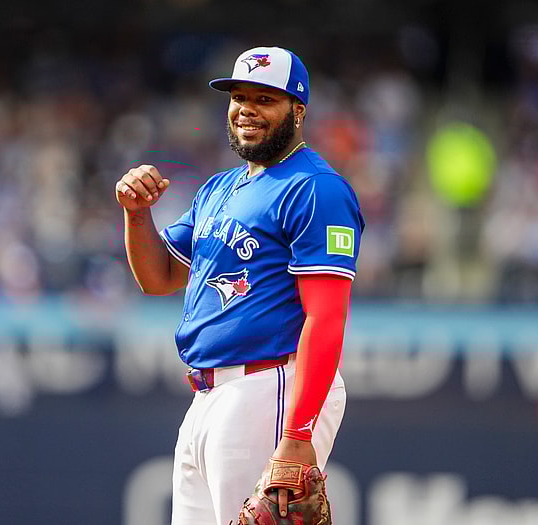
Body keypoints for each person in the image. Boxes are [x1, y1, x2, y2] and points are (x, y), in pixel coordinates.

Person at [114, 46, 365, 524]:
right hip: (208, 395)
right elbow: (158, 277)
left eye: (265, 99)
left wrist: (298, 433)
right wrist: (137, 215)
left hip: (268, 385)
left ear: (298, 110)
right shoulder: (220, 187)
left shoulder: (316, 188)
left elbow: (327, 316)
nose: (247, 108)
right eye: (239, 96)